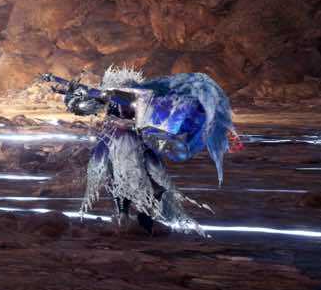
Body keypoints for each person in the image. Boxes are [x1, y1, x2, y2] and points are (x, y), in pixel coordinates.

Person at [40, 68, 236, 233]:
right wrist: (60, 84)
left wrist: (60, 82)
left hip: (131, 142)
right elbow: (90, 95)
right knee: (118, 179)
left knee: (146, 179)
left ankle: (140, 216)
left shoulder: (134, 96)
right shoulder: (124, 97)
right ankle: (127, 216)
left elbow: (94, 94)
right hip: (117, 142)